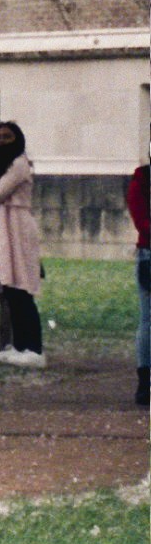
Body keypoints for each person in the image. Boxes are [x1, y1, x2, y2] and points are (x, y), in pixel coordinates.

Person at [0, 121, 43, 368]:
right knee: (11, 289)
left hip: (18, 229)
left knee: (22, 288)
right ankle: (19, 345)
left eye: (7, 136)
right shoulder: (5, 167)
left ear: (18, 139)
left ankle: (34, 349)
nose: (2, 141)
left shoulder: (19, 164)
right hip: (5, 228)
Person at [127, 157, 147, 409]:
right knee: (148, 319)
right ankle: (145, 379)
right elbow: (141, 221)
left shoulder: (142, 179)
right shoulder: (142, 179)